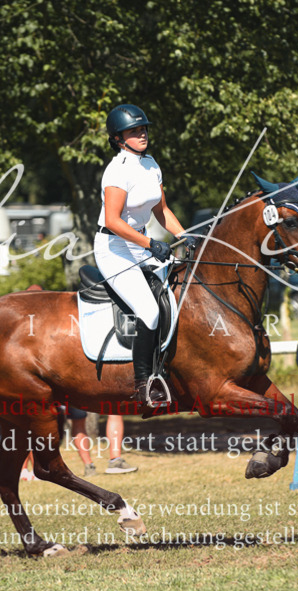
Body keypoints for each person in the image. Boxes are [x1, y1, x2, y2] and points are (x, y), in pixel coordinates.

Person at [97, 104, 186, 406]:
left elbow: (162, 211)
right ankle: (143, 385)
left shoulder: (151, 164)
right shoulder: (117, 171)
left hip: (141, 243)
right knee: (149, 311)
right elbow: (113, 220)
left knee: (180, 292)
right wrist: (150, 244)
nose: (142, 133)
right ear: (119, 139)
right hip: (114, 248)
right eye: (134, 131)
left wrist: (186, 236)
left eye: (143, 128)